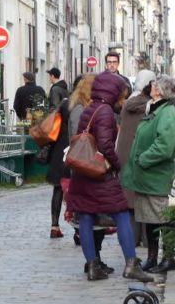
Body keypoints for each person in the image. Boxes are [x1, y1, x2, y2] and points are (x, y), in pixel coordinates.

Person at [66, 71, 153, 282]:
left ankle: (92, 266)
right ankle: (131, 264)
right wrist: (116, 164)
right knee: (121, 214)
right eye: (121, 93)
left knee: (86, 216)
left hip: (83, 172)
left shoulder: (90, 108)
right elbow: (105, 145)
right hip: (100, 173)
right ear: (112, 91)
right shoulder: (105, 111)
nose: (122, 98)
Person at [121, 75, 175, 274]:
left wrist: (143, 159)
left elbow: (164, 145)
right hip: (146, 176)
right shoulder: (155, 109)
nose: (151, 87)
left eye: (154, 85)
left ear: (160, 91)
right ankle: (152, 258)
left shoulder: (167, 112)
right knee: (149, 218)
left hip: (155, 175)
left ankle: (168, 258)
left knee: (161, 218)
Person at [66, 73, 113, 274]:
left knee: (95, 219)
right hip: (87, 169)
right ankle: (92, 261)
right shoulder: (80, 109)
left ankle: (95, 260)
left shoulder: (86, 107)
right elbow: (79, 141)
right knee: (89, 219)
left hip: (89, 168)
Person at [116, 69, 157, 245]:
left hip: (125, 154)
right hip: (140, 155)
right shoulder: (148, 106)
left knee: (130, 200)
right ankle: (146, 240)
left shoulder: (130, 101)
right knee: (143, 199)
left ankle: (133, 239)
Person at [46, 95, 70, 239]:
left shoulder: (62, 106)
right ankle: (79, 231)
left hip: (57, 151)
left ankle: (54, 226)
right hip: (71, 150)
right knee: (75, 190)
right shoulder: (78, 106)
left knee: (58, 189)